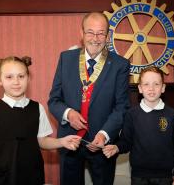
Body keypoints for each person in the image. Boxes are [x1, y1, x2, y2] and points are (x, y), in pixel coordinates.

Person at [48, 12, 130, 185]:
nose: (95, 38)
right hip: (69, 141)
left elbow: (121, 107)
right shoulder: (66, 58)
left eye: (101, 33)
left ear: (107, 36)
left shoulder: (120, 65)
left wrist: (104, 134)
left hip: (101, 145)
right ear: (81, 33)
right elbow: (54, 100)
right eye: (90, 32)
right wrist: (68, 114)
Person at [0, 56, 81, 185]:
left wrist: (61, 142)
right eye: (9, 77)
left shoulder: (38, 108)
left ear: (28, 78)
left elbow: (42, 141)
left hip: (32, 175)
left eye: (21, 76)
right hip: (2, 176)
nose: (16, 82)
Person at [102, 66, 174, 185]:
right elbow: (126, 142)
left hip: (165, 176)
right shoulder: (132, 114)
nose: (151, 88)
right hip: (138, 176)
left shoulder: (172, 115)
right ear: (140, 88)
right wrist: (116, 148)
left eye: (156, 84)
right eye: (146, 84)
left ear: (163, 88)